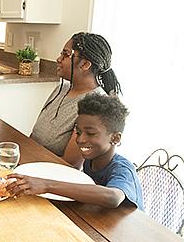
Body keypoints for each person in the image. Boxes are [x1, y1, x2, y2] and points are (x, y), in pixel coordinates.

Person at [8, 93, 143, 210]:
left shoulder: (123, 169)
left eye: (90, 133)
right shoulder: (92, 159)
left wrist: (46, 185)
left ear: (115, 138)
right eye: (78, 132)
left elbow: (112, 197)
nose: (80, 139)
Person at [30, 32, 122, 168]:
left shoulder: (95, 106)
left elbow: (69, 164)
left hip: (52, 176)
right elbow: (36, 135)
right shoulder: (62, 88)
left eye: (66, 55)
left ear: (85, 64)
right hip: (31, 161)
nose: (58, 59)